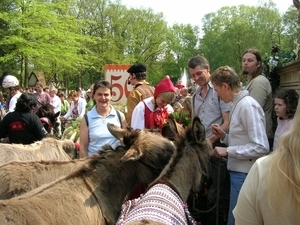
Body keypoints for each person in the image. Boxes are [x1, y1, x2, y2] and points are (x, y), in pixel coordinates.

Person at [210, 66, 269, 225]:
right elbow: (242, 140)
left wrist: (228, 151)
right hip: (238, 174)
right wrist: (224, 137)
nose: (217, 95)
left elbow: (261, 146)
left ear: (225, 86)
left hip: (245, 175)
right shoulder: (238, 104)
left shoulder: (248, 105)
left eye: (217, 90)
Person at [233, 98, 300, 225]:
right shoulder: (280, 121)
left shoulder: (262, 170)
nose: (275, 107)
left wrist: (229, 151)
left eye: (280, 105)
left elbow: (260, 146)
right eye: (275, 104)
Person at [188, 55, 231, 225]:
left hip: (217, 147)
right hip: (201, 149)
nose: (197, 78)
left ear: (207, 69)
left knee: (215, 194)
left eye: (199, 74)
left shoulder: (219, 91)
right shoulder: (194, 96)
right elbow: (195, 123)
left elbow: (226, 122)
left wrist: (211, 141)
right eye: (193, 76)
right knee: (199, 191)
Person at [79, 80, 127, 158]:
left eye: (106, 94)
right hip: (94, 166)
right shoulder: (87, 118)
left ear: (111, 96)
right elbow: (83, 148)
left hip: (115, 166)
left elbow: (124, 144)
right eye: (99, 94)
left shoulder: (120, 116)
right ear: (94, 96)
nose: (103, 98)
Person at [242, 48, 273, 149]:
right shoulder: (253, 81)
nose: (245, 63)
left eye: (250, 60)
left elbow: (253, 113)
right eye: (243, 60)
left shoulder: (258, 83)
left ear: (258, 64)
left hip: (259, 139)